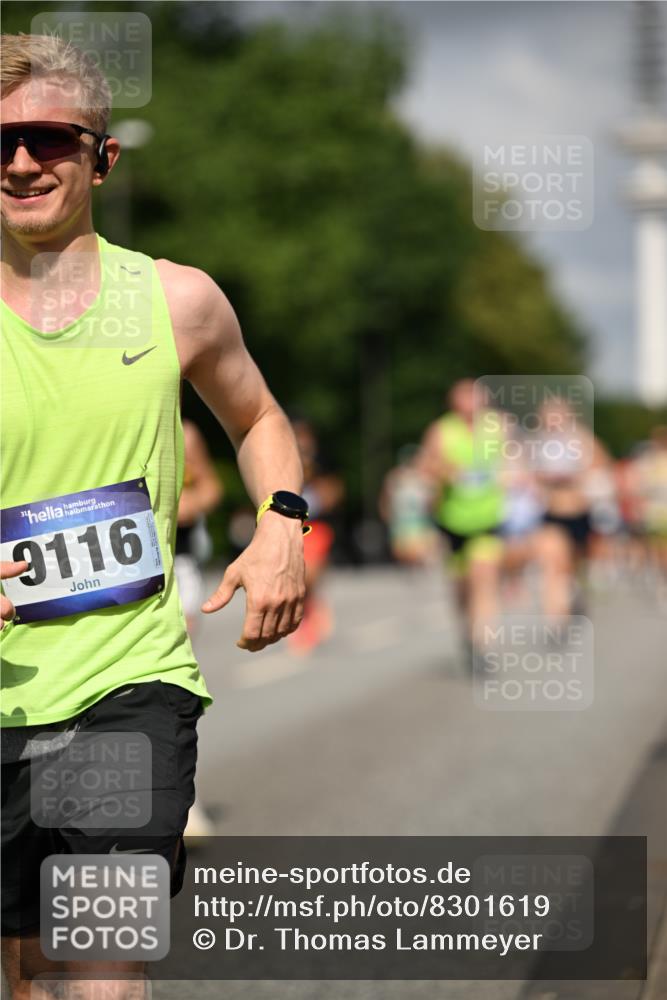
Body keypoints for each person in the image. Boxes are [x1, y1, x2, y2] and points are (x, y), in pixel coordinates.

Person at [0, 34, 308, 999]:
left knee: (103, 960)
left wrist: (281, 526)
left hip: (127, 681)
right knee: (29, 961)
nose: (19, 162)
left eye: (49, 138)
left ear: (103, 154)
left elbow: (257, 418)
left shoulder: (178, 301)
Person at [416, 379, 506, 659]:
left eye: (475, 396)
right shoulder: (441, 430)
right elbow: (424, 468)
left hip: (489, 516)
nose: (470, 403)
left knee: (485, 575)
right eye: (464, 397)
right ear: (454, 402)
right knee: (462, 585)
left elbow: (516, 460)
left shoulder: (499, 425)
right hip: (453, 518)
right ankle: (467, 632)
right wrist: (446, 471)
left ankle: (483, 643)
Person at [174, 418, 223, 839]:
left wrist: (190, 502)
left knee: (171, 680)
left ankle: (183, 802)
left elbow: (211, 485)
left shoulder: (185, 431)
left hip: (177, 565)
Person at [288, 418, 344, 653]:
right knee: (297, 578)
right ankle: (307, 614)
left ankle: (311, 609)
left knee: (309, 576)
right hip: (292, 528)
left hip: (317, 526)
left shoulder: (321, 462)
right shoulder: (281, 460)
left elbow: (335, 491)